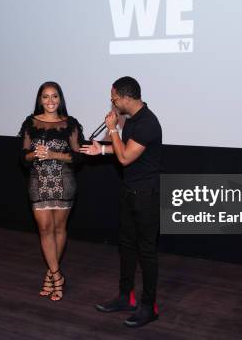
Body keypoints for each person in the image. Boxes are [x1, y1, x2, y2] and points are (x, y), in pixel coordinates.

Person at [80, 76, 162, 328]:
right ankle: (126, 296)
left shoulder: (148, 123)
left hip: (146, 196)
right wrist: (102, 150)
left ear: (127, 97)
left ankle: (149, 306)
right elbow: (125, 150)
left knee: (146, 252)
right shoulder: (132, 120)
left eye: (114, 98)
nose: (112, 103)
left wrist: (112, 129)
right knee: (126, 246)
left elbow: (125, 158)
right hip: (129, 192)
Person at [18, 81, 84, 301]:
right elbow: (22, 157)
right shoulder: (31, 123)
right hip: (38, 180)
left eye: (54, 96)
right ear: (40, 100)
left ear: (60, 99)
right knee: (45, 229)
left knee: (58, 228)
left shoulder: (70, 124)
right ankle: (57, 275)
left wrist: (53, 154)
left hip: (64, 180)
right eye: (45, 97)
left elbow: (78, 157)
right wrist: (36, 154)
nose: (50, 101)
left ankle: (50, 275)